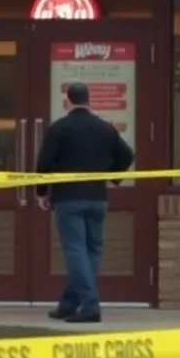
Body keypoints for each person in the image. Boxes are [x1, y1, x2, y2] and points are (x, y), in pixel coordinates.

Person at [35, 82, 134, 323]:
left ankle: (90, 306)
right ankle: (69, 304)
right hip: (97, 198)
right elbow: (127, 155)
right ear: (89, 101)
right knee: (92, 250)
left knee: (76, 250)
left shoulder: (60, 128)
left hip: (69, 198)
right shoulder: (105, 128)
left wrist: (42, 192)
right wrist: (111, 175)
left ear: (67, 101)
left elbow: (45, 161)